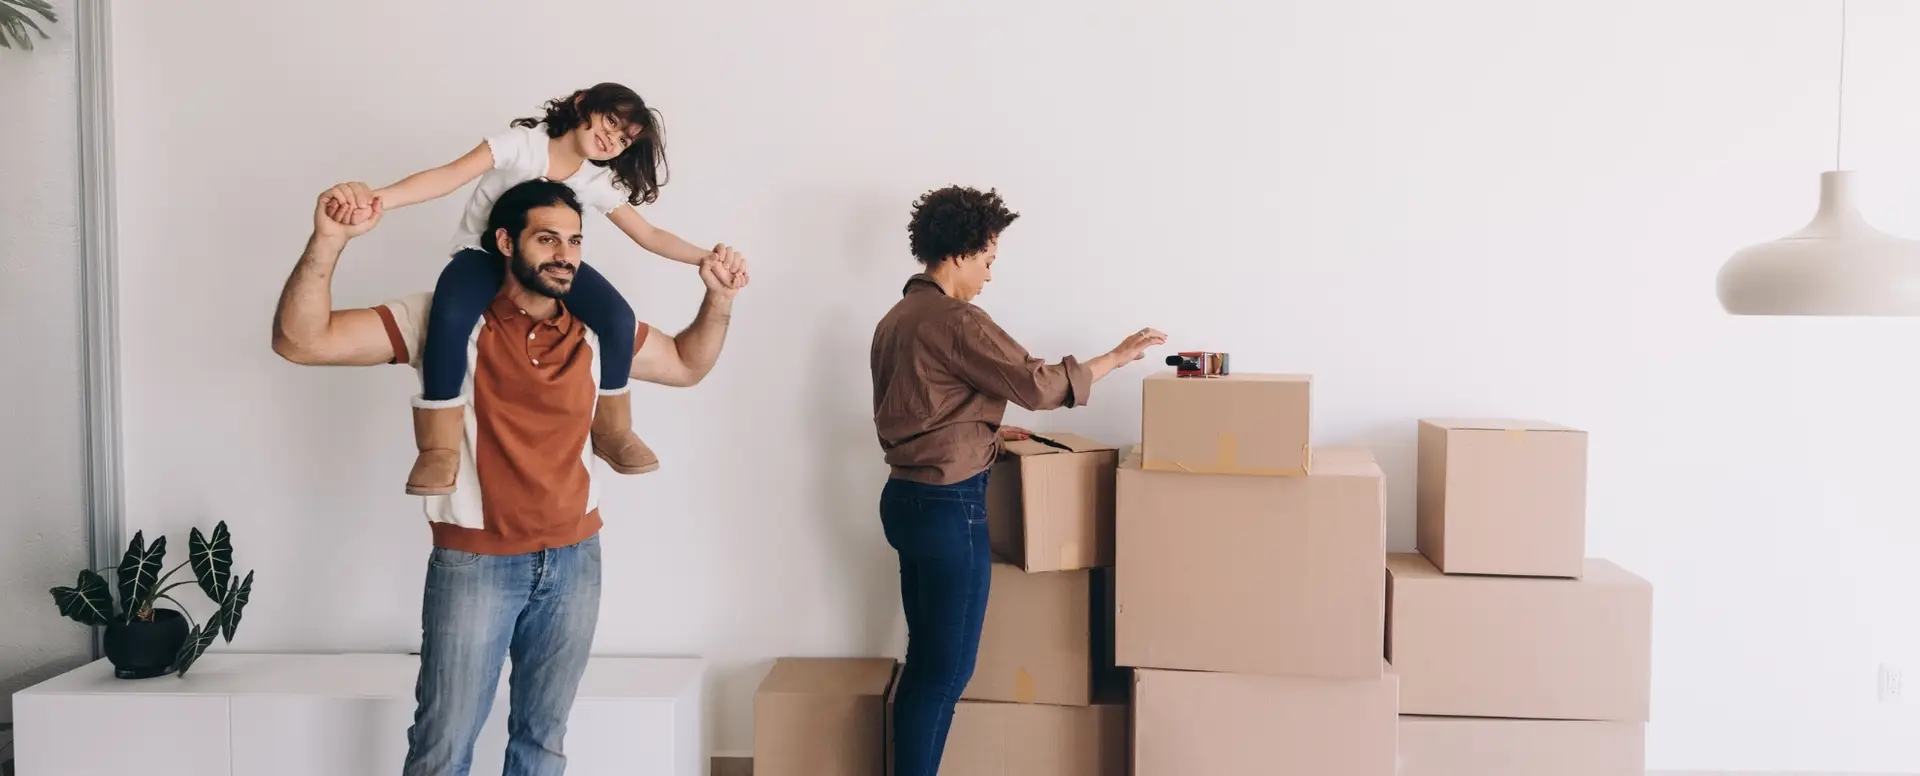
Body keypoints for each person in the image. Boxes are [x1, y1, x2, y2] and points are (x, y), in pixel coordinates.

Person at [272, 178, 748, 776]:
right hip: (476, 565)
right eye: (547, 239)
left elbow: (684, 364)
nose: (564, 255)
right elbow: (301, 341)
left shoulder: (598, 327)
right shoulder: (440, 319)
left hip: (575, 561)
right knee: (443, 744)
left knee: (542, 742)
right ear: (504, 241)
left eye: (574, 241)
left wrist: (719, 300)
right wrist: (329, 241)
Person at [868, 185, 1166, 776]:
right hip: (950, 509)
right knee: (947, 672)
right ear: (959, 254)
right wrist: (1115, 357)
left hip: (904, 502)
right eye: (988, 260)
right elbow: (1039, 386)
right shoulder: (958, 321)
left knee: (925, 665)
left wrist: (988, 433)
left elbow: (922, 412)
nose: (989, 275)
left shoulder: (895, 320)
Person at [320, 82, 738, 497]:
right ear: (581, 105)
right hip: (484, 253)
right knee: (449, 316)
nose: (613, 138)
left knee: (617, 318)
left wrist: (706, 257)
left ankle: (613, 429)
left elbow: (648, 233)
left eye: (624, 138)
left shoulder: (595, 180)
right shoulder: (522, 145)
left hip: (544, 262)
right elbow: (448, 177)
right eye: (611, 121)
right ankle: (439, 447)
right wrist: (378, 199)